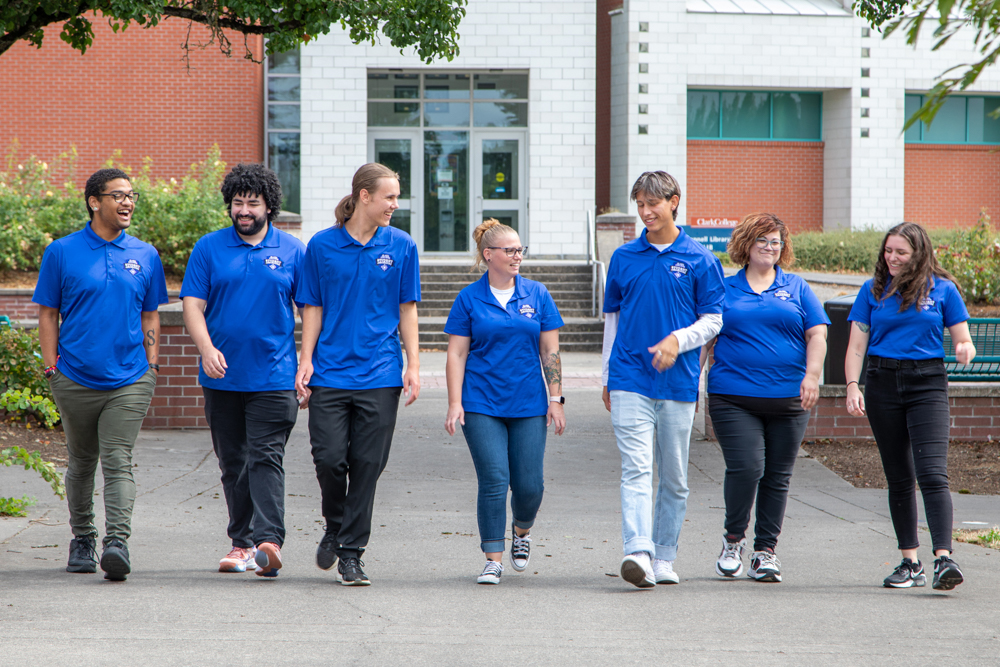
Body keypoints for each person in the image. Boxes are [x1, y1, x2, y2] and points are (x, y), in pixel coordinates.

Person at [33, 168, 168, 581]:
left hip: (129, 377)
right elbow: (48, 312)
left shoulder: (145, 255)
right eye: (118, 196)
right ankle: (84, 538)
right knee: (81, 462)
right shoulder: (62, 252)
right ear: (95, 202)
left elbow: (150, 312)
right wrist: (52, 366)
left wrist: (152, 364)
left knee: (117, 459)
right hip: (74, 376)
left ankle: (117, 543)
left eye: (132, 196)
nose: (128, 203)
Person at [295, 163, 421, 586]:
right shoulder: (322, 246)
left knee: (367, 464)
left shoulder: (401, 246)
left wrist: (414, 366)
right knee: (330, 459)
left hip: (381, 372)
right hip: (329, 372)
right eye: (389, 196)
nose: (395, 204)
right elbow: (312, 307)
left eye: (396, 197)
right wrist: (305, 359)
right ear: (364, 196)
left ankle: (351, 553)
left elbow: (408, 309)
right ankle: (335, 522)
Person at [602, 171, 725, 588]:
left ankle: (665, 556)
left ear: (674, 201)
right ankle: (638, 550)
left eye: (652, 203)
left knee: (673, 477)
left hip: (678, 382)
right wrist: (606, 375)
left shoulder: (701, 260)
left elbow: (713, 321)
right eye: (639, 204)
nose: (645, 212)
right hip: (628, 377)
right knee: (636, 468)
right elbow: (612, 321)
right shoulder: (623, 258)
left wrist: (677, 339)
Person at [181, 163, 305, 577]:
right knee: (233, 460)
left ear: (269, 206)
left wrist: (308, 364)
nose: (245, 210)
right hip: (222, 376)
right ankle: (241, 543)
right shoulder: (209, 248)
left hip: (274, 374)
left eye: (253, 203)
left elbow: (312, 311)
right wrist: (206, 348)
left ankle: (268, 541)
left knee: (265, 456)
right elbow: (192, 305)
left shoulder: (292, 250)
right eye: (238, 203)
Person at [845, 221, 975, 591]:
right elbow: (856, 347)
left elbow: (962, 338)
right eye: (888, 251)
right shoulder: (872, 291)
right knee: (899, 477)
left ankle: (943, 559)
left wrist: (965, 348)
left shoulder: (943, 290)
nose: (892, 258)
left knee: (933, 473)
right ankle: (910, 562)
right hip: (883, 382)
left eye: (901, 252)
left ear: (919, 254)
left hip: (927, 383)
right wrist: (854, 386)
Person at [702, 213, 829, 583]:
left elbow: (817, 334)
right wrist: (690, 381)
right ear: (746, 244)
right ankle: (732, 540)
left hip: (790, 398)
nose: (770, 248)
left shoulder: (797, 287)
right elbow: (705, 337)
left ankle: (765, 552)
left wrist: (812, 375)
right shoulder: (724, 289)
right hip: (732, 395)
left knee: (777, 475)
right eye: (763, 241)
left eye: (776, 242)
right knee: (747, 467)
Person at [444, 220, 566, 585]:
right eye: (510, 250)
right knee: (494, 479)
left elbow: (550, 349)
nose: (517, 256)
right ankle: (492, 558)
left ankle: (522, 530)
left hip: (529, 403)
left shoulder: (537, 294)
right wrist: (454, 402)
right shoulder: (469, 298)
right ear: (489, 255)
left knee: (530, 486)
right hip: (481, 402)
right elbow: (457, 354)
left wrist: (556, 398)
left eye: (519, 250)